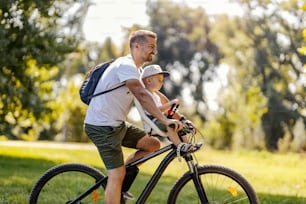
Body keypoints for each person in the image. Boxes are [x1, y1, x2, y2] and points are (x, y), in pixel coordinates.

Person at [84, 30, 185, 204]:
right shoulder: (126, 66)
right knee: (116, 174)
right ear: (136, 46)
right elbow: (141, 95)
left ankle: (117, 184)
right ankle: (116, 182)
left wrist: (180, 119)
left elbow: (151, 100)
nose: (154, 51)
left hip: (117, 125)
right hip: (101, 126)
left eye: (155, 47)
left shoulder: (136, 71)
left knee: (152, 144)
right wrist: (164, 121)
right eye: (151, 47)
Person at [141, 64, 196, 145]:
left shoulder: (155, 95)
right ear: (148, 81)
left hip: (160, 120)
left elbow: (164, 110)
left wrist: (173, 109)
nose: (162, 82)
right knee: (171, 124)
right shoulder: (146, 95)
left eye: (162, 80)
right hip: (153, 123)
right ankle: (179, 145)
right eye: (159, 80)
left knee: (178, 123)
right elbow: (156, 110)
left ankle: (187, 144)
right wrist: (170, 104)